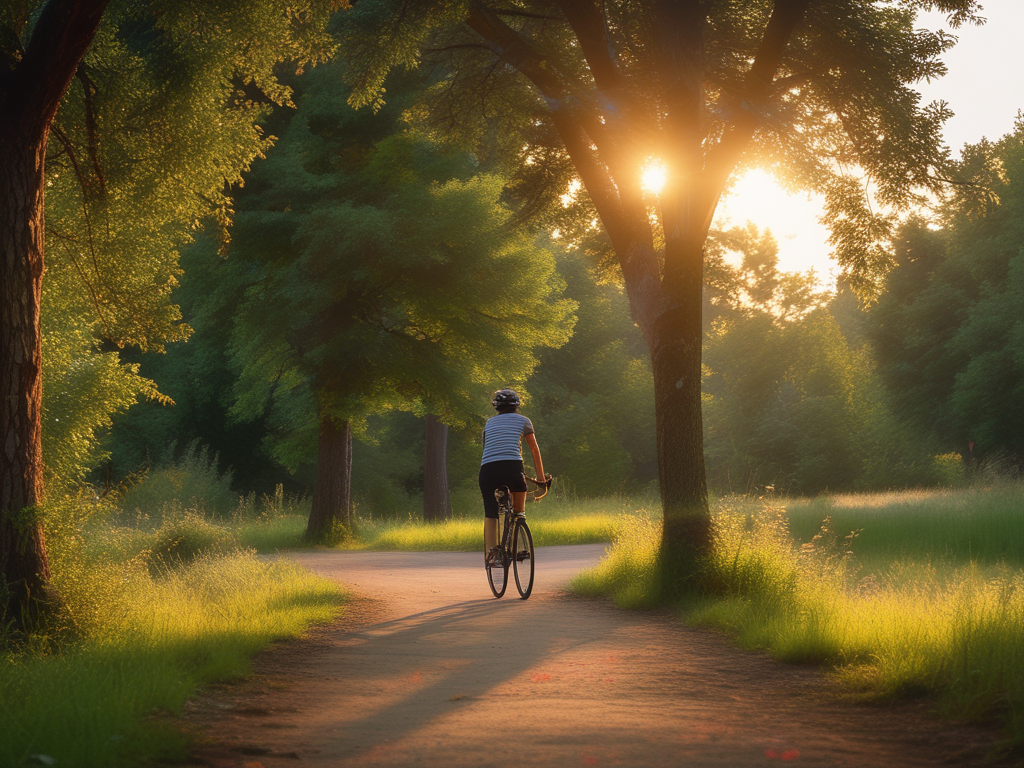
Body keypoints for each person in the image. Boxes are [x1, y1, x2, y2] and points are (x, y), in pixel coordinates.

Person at [479, 388, 545, 564]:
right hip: (513, 467)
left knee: (490, 512)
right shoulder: (524, 421)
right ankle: (521, 544)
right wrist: (540, 479)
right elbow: (533, 449)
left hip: (488, 470)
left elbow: (486, 447)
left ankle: (492, 554)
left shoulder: (489, 423)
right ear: (517, 406)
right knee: (518, 510)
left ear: (496, 407)